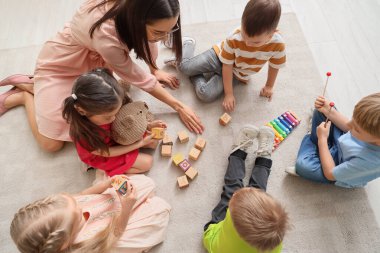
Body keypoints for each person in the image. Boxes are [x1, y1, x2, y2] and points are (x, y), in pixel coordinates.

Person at [0, 0, 204, 153]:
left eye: (171, 29)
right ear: (137, 20)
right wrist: (179, 106)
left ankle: (35, 89)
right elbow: (138, 78)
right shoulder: (107, 38)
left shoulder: (137, 12)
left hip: (95, 63)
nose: (165, 37)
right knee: (51, 144)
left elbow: (148, 44)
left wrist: (154, 69)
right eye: (159, 32)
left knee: (100, 108)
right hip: (61, 65)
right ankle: (25, 94)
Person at [165, 0, 285, 112]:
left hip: (237, 74)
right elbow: (227, 65)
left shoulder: (278, 45)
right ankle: (187, 43)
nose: (247, 43)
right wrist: (229, 94)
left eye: (255, 42)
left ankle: (195, 74)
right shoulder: (234, 37)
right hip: (218, 56)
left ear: (272, 34)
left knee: (205, 95)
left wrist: (269, 86)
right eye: (244, 35)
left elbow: (275, 66)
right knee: (184, 68)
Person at [10, 174, 171, 253]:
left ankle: (135, 203)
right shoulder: (84, 245)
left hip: (106, 206)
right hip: (113, 231)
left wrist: (106, 183)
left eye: (74, 203)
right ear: (64, 243)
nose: (80, 207)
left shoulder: (66, 209)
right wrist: (127, 207)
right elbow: (116, 232)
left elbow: (84, 193)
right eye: (78, 215)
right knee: (160, 208)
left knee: (147, 183)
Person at [62, 68, 165, 176]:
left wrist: (147, 126)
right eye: (108, 117)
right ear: (82, 111)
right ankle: (105, 171)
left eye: (116, 113)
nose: (114, 118)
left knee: (153, 142)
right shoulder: (83, 134)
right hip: (105, 153)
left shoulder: (111, 105)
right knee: (147, 163)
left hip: (117, 133)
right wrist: (140, 143)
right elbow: (107, 152)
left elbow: (124, 119)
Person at [203, 125, 289, 253]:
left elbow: (209, 241)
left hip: (214, 240)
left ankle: (237, 154)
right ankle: (264, 158)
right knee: (258, 191)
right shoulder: (274, 245)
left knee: (231, 190)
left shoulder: (226, 239)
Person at [288, 93, 380, 188]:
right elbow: (348, 127)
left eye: (356, 129)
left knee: (304, 167)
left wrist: (322, 140)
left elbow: (330, 174)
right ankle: (318, 138)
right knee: (321, 111)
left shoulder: (369, 163)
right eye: (353, 119)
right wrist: (329, 112)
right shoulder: (368, 133)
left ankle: (313, 137)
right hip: (342, 141)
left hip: (338, 165)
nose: (349, 123)